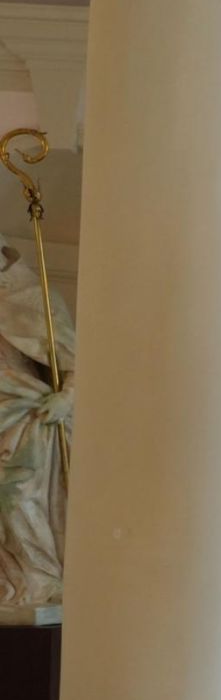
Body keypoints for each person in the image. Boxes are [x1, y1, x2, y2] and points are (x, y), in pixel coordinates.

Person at [0, 233, 75, 612]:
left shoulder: (33, 296)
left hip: (27, 415)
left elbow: (75, 360)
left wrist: (66, 398)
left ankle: (38, 578)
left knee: (17, 497)